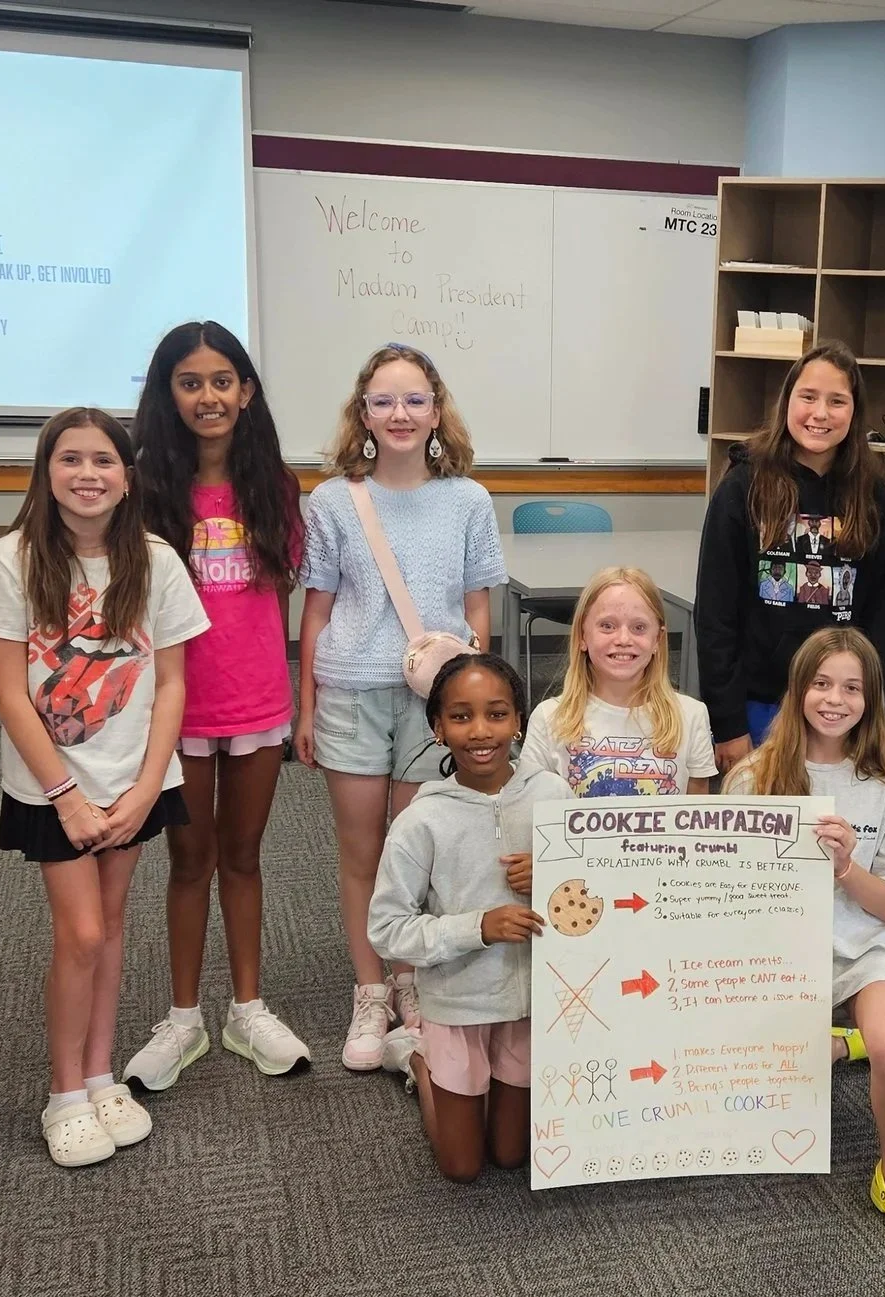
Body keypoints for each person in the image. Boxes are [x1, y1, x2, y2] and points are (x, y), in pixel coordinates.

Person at [0, 408, 207, 1167]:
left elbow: (170, 683)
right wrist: (66, 793)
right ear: (46, 471)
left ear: (128, 476)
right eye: (70, 459)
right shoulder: (11, 558)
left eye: (104, 459)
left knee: (113, 923)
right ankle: (63, 1091)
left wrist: (144, 787)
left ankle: (101, 1073)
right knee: (83, 933)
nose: (88, 474)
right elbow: (7, 692)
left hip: (134, 782)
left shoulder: (156, 559)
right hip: (51, 786)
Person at [297, 343, 505, 1072]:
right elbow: (315, 609)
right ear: (362, 413)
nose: (400, 414)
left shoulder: (468, 500)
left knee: (415, 851)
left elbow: (478, 606)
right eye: (383, 401)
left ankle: (413, 981)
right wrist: (305, 703)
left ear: (437, 408)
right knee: (361, 850)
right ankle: (369, 988)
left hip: (435, 701)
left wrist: (479, 696)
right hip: (351, 693)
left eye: (415, 399)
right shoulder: (330, 502)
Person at [122, 321, 314, 1087]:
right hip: (175, 710)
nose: (208, 395)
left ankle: (247, 1006)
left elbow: (285, 590)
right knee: (187, 861)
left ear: (247, 390)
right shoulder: (141, 486)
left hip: (258, 700)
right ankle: (181, 1018)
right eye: (190, 381)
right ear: (167, 393)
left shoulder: (278, 484)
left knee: (243, 855)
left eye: (222, 380)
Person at [725, 628, 885, 1256]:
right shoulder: (755, 775)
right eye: (821, 684)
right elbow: (728, 888)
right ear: (797, 690)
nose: (834, 699)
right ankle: (829, 1043)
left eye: (852, 688)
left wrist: (848, 867)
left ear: (872, 699)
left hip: (867, 944)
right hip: (780, 945)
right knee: (750, 1063)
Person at [367, 654, 566, 1182]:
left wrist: (553, 874)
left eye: (497, 714)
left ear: (519, 720)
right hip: (458, 1005)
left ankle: (445, 1066)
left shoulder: (554, 796)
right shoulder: (421, 821)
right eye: (460, 717)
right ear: (437, 728)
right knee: (462, 1167)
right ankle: (415, 1056)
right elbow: (386, 929)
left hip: (532, 1004)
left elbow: (594, 892)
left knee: (509, 1155)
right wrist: (477, 927)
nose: (481, 731)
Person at [697, 342, 885, 771]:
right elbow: (715, 612)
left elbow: (883, 618)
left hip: (839, 707)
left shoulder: (875, 498)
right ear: (787, 401)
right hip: (759, 702)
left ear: (855, 411)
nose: (820, 413)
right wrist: (727, 721)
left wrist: (875, 712)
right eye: (808, 397)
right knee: (760, 831)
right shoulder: (743, 486)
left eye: (837, 401)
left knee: (830, 828)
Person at [518, 566, 716, 797]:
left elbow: (697, 817)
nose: (623, 639)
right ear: (582, 636)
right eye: (607, 626)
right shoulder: (549, 718)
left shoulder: (691, 716)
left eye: (639, 627)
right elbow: (534, 810)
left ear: (658, 640)